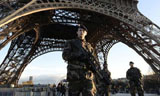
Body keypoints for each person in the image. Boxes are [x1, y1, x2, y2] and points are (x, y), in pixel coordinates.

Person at [62, 25, 96, 96]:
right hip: (74, 76)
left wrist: (93, 66)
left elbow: (93, 59)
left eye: (83, 31)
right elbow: (65, 56)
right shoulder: (71, 43)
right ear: (77, 32)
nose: (81, 32)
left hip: (87, 76)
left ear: (86, 33)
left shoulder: (89, 47)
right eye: (80, 30)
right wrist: (78, 55)